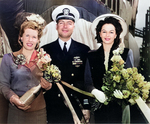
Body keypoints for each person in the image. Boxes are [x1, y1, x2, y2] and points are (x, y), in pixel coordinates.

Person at [42, 5, 91, 124]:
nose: (65, 26)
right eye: (61, 22)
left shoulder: (84, 50)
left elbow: (87, 81)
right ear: (56, 26)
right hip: (53, 106)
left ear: (74, 26)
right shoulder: (45, 50)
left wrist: (86, 105)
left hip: (76, 106)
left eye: (69, 23)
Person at [0, 13, 52, 124]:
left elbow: (50, 82)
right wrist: (13, 98)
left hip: (39, 112)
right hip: (16, 112)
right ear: (21, 37)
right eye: (27, 35)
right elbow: (3, 85)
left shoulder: (45, 58)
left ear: (38, 40)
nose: (30, 40)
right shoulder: (8, 58)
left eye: (34, 37)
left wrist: (48, 86)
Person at [84, 14, 134, 123]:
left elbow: (131, 80)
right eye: (104, 31)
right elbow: (87, 82)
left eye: (111, 32)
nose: (107, 35)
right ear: (99, 33)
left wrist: (124, 93)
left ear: (116, 34)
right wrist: (94, 91)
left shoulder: (125, 54)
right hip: (98, 107)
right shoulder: (91, 56)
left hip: (120, 107)